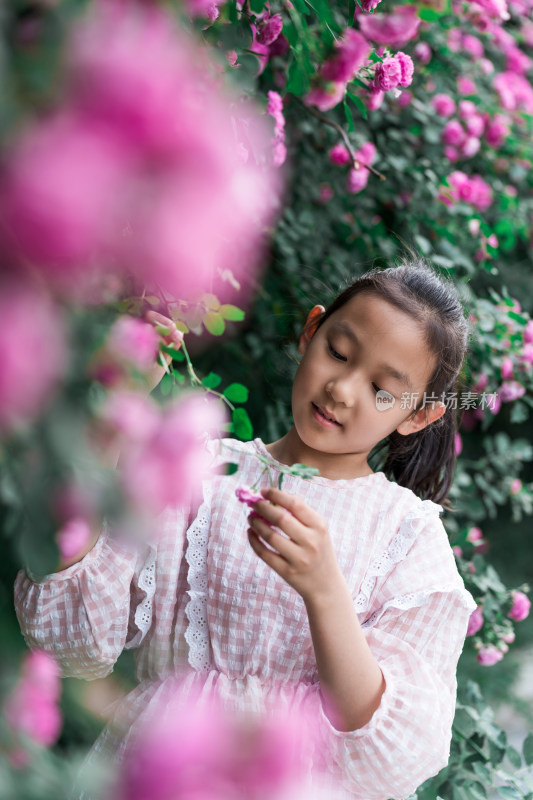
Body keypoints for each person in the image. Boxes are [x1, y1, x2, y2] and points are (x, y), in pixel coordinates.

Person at [14, 261, 476, 800]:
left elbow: (389, 759)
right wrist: (111, 422)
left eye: (381, 388)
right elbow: (76, 644)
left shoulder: (408, 536)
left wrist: (324, 590)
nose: (343, 389)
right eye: (339, 354)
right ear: (311, 331)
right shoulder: (202, 473)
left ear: (417, 415)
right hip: (162, 770)